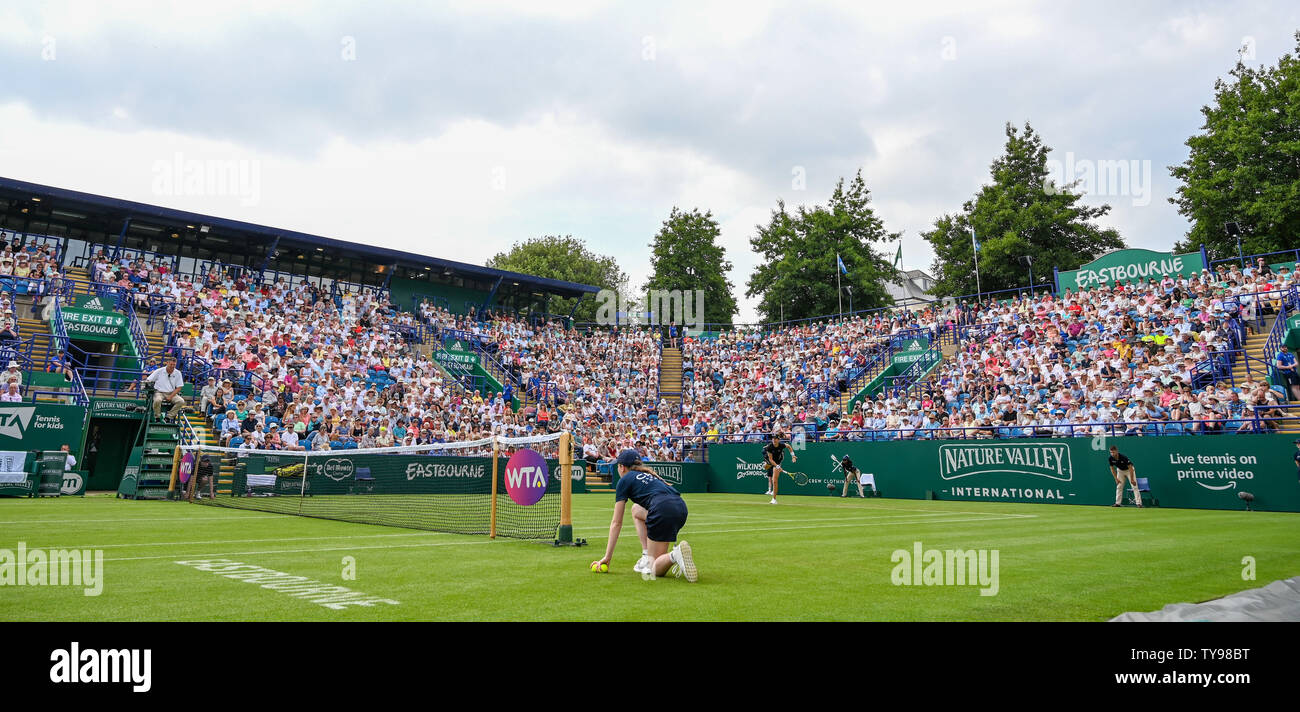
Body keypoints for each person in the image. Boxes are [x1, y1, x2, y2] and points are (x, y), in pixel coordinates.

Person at [590, 449, 697, 582]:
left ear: (622, 467)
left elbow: (616, 523)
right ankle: (647, 554)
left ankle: (675, 554)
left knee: (654, 569)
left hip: (661, 510)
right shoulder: (649, 475)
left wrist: (607, 557)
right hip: (680, 508)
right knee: (636, 509)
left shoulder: (624, 481)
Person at [145, 356, 186, 422]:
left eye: (174, 364)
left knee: (181, 401)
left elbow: (179, 387)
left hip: (171, 393)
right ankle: (157, 417)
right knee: (157, 400)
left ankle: (168, 417)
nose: (172, 366)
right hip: (159, 392)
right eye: (171, 364)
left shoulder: (178, 373)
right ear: (167, 363)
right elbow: (148, 380)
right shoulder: (159, 371)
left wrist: (171, 396)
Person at [763, 432, 797, 505]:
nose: (774, 440)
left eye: (775, 439)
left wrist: (793, 456)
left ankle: (774, 499)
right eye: (773, 438)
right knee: (765, 467)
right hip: (770, 460)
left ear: (778, 440)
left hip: (778, 461)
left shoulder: (781, 445)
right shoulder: (769, 447)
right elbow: (771, 459)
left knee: (774, 481)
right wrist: (778, 467)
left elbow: (789, 447)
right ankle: (766, 464)